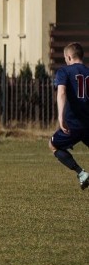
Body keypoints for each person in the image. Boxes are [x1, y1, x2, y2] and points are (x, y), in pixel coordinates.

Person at [49, 42, 89, 189]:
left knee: (53, 145)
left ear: (69, 57)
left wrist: (61, 116)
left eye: (66, 58)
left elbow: (62, 92)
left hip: (73, 123)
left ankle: (81, 172)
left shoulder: (64, 72)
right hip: (88, 122)